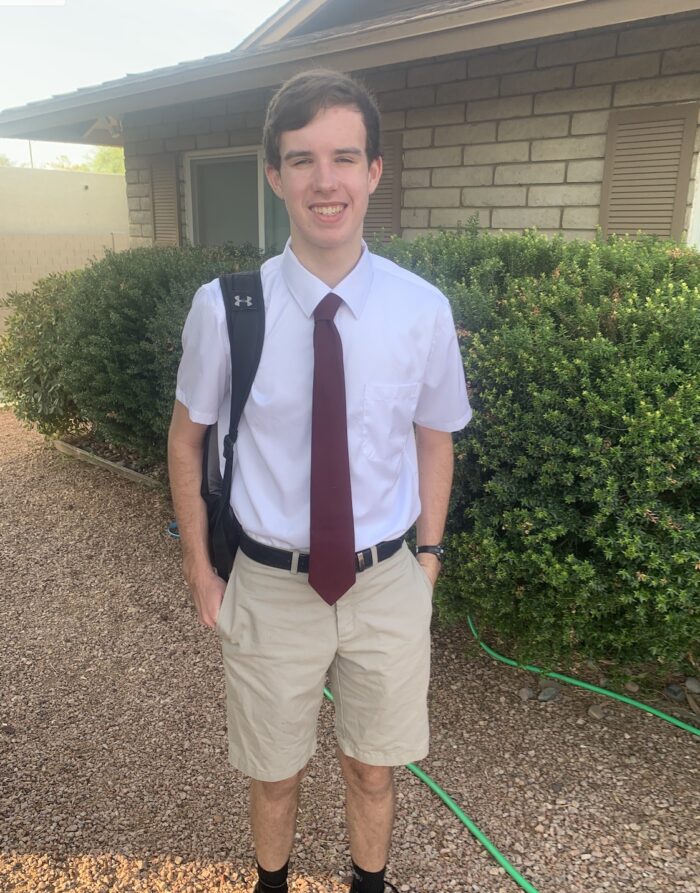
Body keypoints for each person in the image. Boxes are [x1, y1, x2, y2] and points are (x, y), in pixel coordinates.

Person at [168, 68, 471, 893]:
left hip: (383, 584)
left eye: (345, 157)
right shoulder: (225, 309)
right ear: (275, 175)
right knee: (273, 773)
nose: (325, 180)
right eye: (302, 159)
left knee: (374, 769)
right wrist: (201, 567)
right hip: (270, 585)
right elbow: (187, 440)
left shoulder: (421, 310)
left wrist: (429, 560)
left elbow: (435, 439)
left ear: (375, 171)